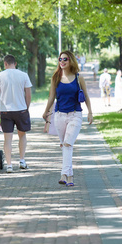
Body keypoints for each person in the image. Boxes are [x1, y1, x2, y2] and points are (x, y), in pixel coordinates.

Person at [42, 50, 93, 187]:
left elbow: (86, 96)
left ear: (70, 60)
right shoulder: (56, 77)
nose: (62, 62)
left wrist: (90, 112)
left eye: (65, 59)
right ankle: (70, 177)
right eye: (60, 59)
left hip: (75, 114)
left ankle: (63, 174)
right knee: (66, 146)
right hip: (59, 115)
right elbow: (51, 97)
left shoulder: (78, 77)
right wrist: (46, 111)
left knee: (67, 144)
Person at [0, 54, 32, 173]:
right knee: (22, 135)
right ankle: (22, 160)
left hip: (6, 111)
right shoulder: (24, 75)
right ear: (15, 63)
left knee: (7, 139)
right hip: (21, 110)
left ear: (5, 63)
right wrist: (26, 107)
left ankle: (9, 165)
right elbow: (28, 94)